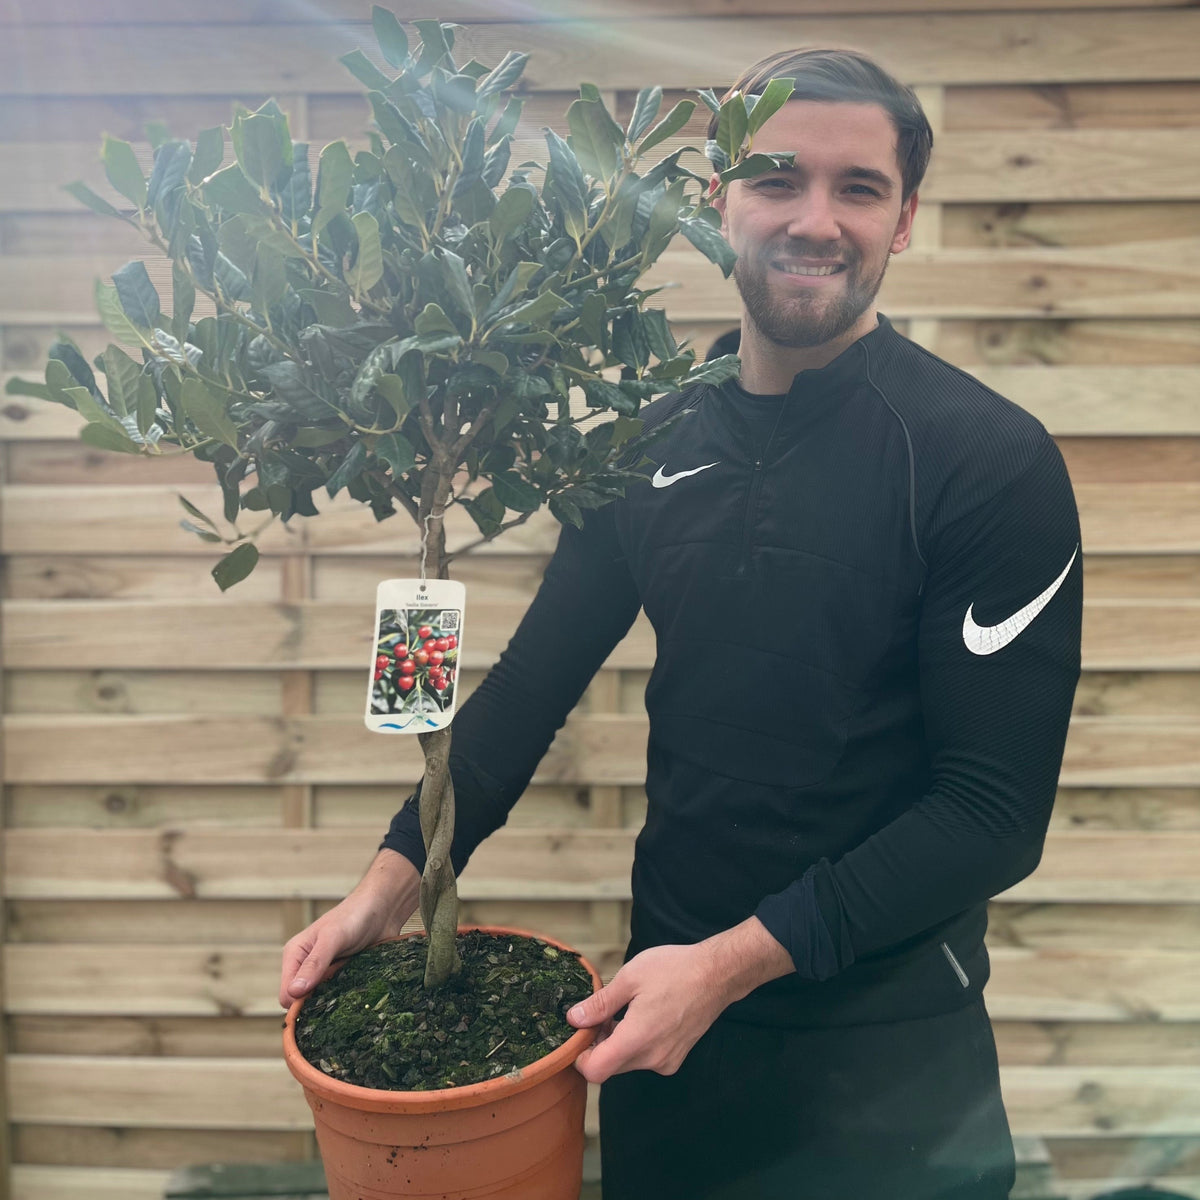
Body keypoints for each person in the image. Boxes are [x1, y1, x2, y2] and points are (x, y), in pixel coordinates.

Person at [280, 47, 1083, 1199]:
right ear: (717, 201)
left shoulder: (985, 462)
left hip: (890, 1058)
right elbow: (530, 687)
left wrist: (727, 965)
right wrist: (383, 891)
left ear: (903, 220)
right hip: (665, 1034)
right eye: (775, 178)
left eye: (859, 188)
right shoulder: (648, 435)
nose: (815, 219)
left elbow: (993, 815)